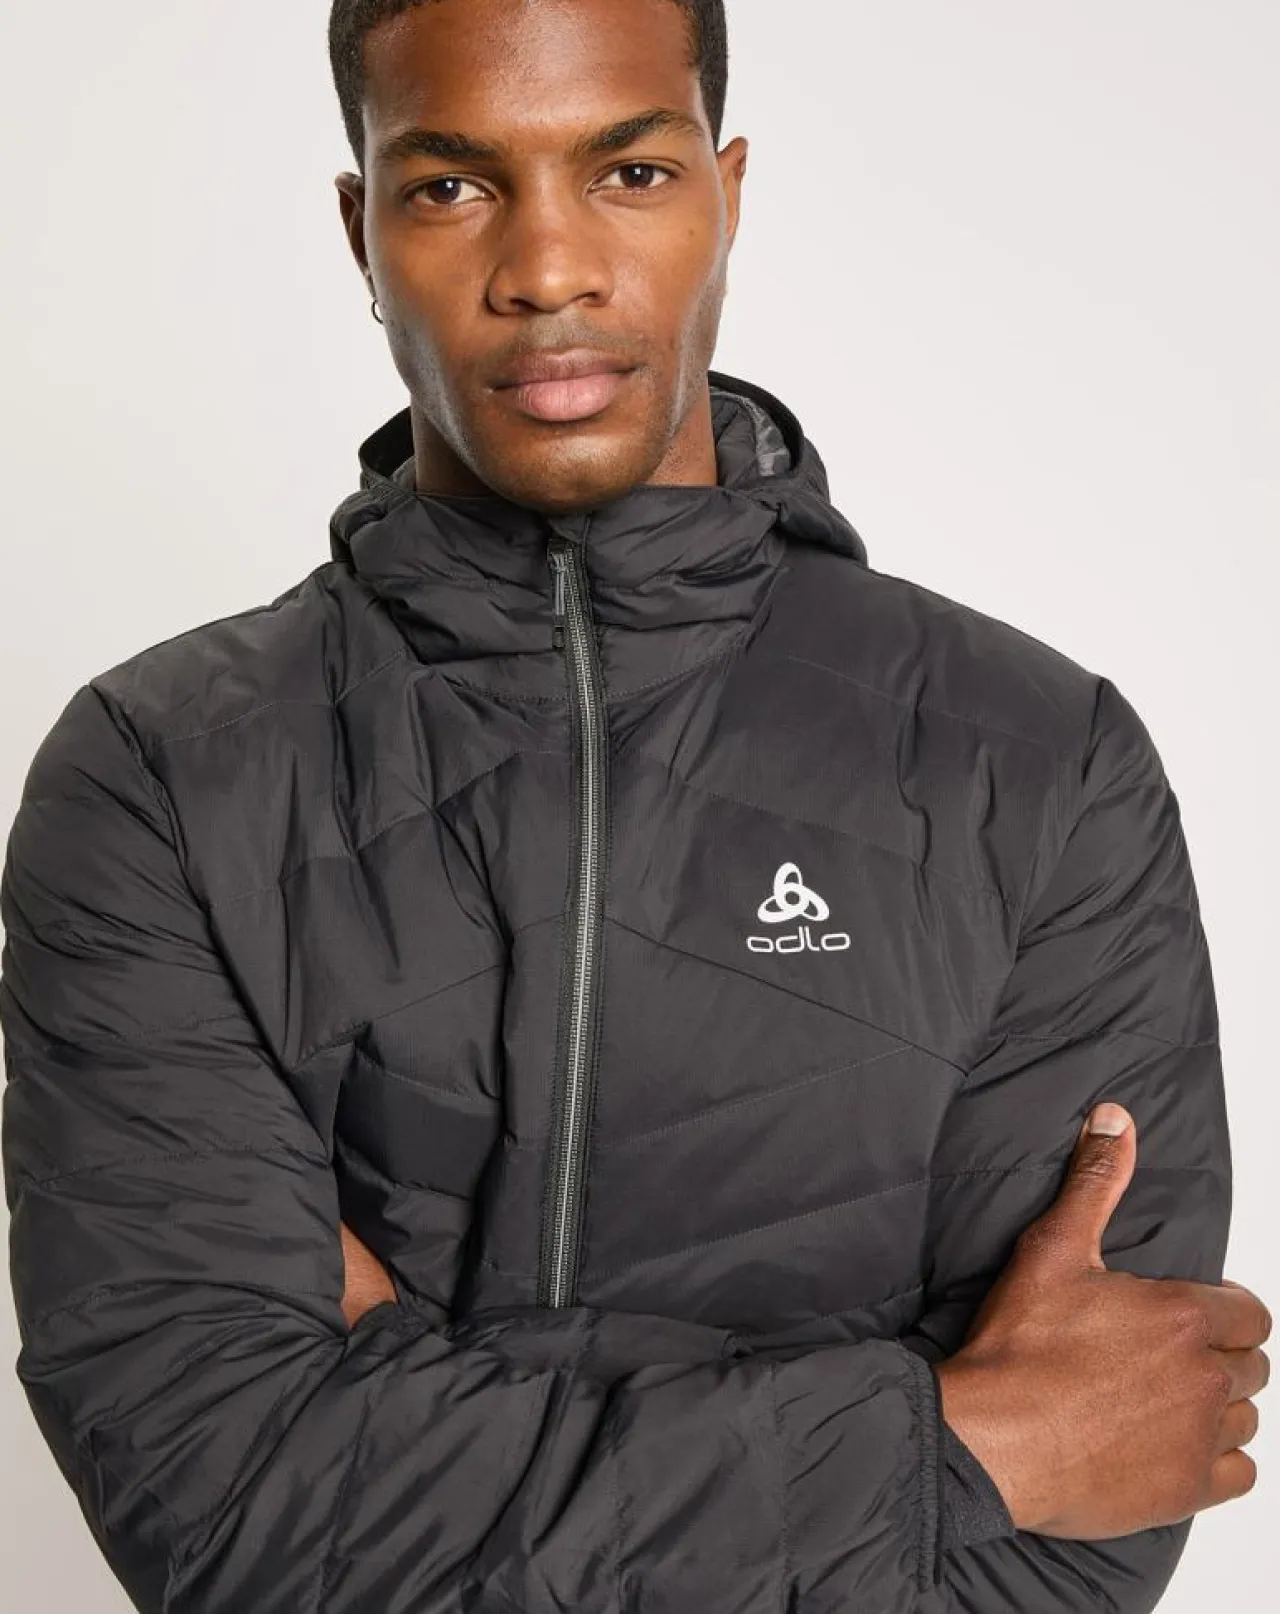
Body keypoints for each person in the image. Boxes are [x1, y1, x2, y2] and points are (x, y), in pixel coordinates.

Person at [0, 2, 1270, 1610]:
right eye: (452, 186)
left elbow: (1073, 1545)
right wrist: (956, 1443)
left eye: (631, 172)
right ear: (361, 229)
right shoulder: (160, 775)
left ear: (726, 194)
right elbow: (219, 1502)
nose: (549, 268)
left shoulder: (1038, 761)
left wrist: (397, 1400)